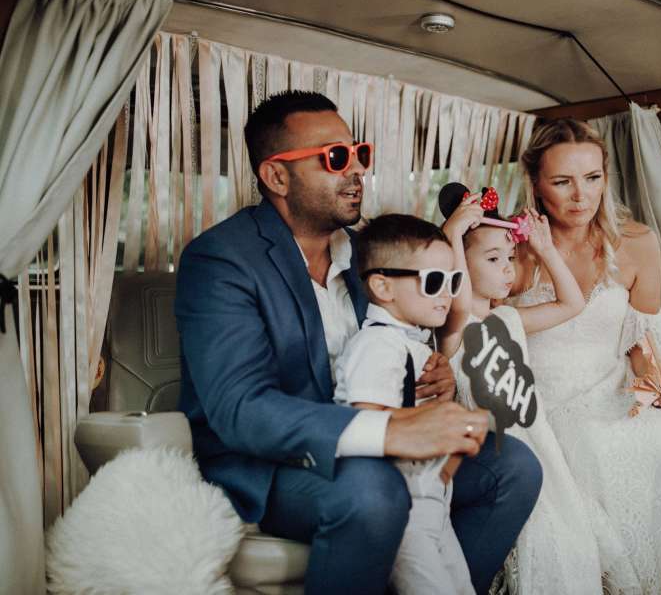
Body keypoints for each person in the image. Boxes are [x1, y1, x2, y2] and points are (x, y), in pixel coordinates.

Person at [174, 90, 542, 595]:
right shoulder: (221, 259)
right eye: (335, 158)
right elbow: (241, 408)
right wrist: (388, 432)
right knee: (375, 492)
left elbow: (399, 334)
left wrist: (429, 372)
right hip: (274, 466)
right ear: (276, 176)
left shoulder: (369, 249)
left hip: (384, 445)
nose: (357, 170)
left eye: (359, 153)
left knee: (515, 467)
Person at [507, 117, 661, 594]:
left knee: (647, 435)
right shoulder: (510, 249)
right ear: (535, 184)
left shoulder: (638, 242)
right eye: (562, 182)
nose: (581, 196)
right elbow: (484, 330)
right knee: (584, 447)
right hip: (532, 401)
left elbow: (640, 340)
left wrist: (657, 381)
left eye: (592, 178)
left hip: (607, 391)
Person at [438, 191, 611, 595]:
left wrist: (545, 249)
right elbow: (460, 304)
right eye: (492, 259)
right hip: (494, 452)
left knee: (562, 540)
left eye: (511, 257)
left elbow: (572, 303)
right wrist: (452, 235)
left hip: (536, 442)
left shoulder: (509, 318)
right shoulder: (452, 328)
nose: (507, 269)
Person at [333, 213, 474, 595]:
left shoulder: (410, 341)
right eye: (433, 281)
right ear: (383, 286)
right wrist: (437, 420)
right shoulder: (377, 346)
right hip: (403, 503)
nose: (446, 293)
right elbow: (365, 419)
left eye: (453, 281)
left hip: (432, 499)